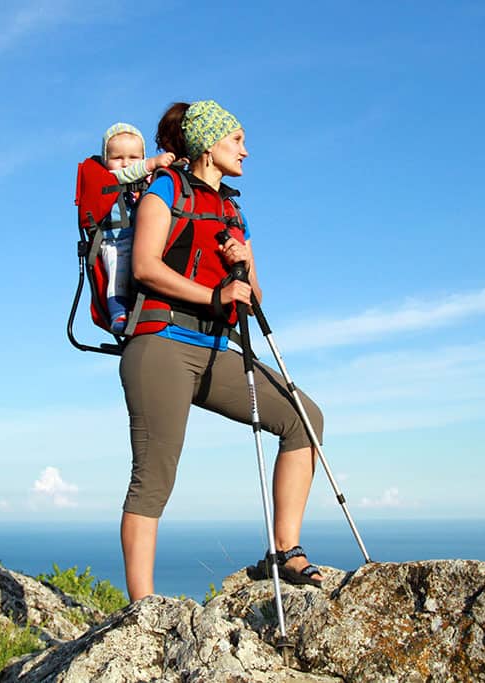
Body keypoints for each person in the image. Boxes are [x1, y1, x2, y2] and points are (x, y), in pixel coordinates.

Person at [119, 100, 325, 601]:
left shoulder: (234, 210)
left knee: (304, 418)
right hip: (160, 345)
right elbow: (144, 267)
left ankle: (285, 551)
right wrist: (214, 296)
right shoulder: (163, 191)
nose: (246, 151)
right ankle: (142, 608)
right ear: (209, 145)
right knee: (154, 477)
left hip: (213, 349)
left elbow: (254, 299)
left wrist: (242, 263)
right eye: (238, 140)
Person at [99, 123, 175, 333]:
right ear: (105, 160)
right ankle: (117, 313)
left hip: (141, 237)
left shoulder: (147, 178)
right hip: (116, 240)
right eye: (117, 158)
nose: (125, 164)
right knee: (118, 275)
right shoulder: (108, 177)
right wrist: (150, 163)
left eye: (133, 158)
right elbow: (126, 175)